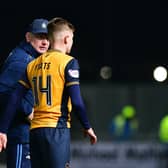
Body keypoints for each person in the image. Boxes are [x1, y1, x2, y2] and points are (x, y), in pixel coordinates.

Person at [0, 17, 97, 168]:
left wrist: (3, 129)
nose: (44, 41)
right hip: (55, 130)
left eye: (46, 37)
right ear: (66, 39)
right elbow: (77, 101)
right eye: (71, 39)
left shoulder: (32, 63)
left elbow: (14, 97)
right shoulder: (68, 62)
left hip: (35, 131)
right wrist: (87, 126)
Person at [0, 18, 49, 168]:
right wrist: (28, 111)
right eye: (40, 36)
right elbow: (3, 92)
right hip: (21, 134)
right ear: (28, 37)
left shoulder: (30, 58)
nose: (45, 42)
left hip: (26, 135)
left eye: (47, 37)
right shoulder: (22, 60)